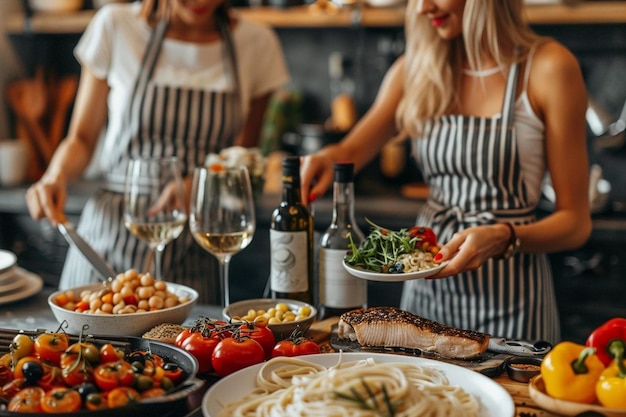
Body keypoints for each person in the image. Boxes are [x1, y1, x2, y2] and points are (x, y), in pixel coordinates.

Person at [301, 0, 591, 343]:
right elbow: (350, 151)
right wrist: (324, 158)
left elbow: (575, 223)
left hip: (514, 298)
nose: (423, 7)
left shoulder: (548, 67)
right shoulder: (415, 68)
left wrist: (503, 237)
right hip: (428, 289)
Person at [25, 0, 289, 304]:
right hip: (109, 236)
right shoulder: (115, 25)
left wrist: (203, 185)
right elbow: (82, 138)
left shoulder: (256, 42)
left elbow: (242, 158)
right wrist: (54, 177)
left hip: (195, 246)